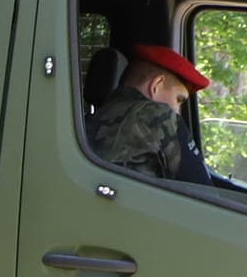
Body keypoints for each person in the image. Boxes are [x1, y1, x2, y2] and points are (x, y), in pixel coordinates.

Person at [85, 43, 213, 184]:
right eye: (178, 100)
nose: (178, 111)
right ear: (156, 85)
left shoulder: (85, 122)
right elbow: (203, 189)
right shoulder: (158, 116)